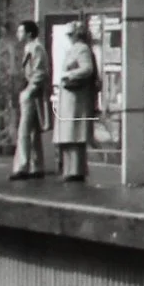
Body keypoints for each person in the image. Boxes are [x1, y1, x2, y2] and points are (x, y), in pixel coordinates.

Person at [54, 21, 99, 183]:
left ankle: (75, 170)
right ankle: (71, 169)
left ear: (76, 34)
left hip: (76, 98)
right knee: (69, 134)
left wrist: (69, 75)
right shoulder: (75, 49)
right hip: (70, 98)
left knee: (74, 133)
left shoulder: (81, 49)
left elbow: (87, 69)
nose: (68, 38)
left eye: (69, 34)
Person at [11, 21, 49, 179]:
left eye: (21, 31)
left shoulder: (36, 48)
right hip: (32, 92)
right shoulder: (30, 48)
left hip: (32, 93)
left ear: (29, 33)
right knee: (33, 131)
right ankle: (36, 165)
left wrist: (29, 90)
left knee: (24, 131)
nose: (18, 34)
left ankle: (22, 166)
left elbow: (39, 72)